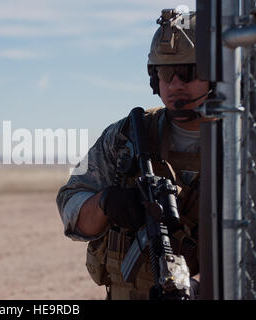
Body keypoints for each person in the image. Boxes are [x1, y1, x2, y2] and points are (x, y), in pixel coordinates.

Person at [56, 9, 210, 300]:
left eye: (189, 72)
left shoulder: (243, 146)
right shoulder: (125, 136)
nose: (176, 84)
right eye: (166, 73)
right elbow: (69, 205)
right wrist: (106, 202)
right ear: (154, 79)